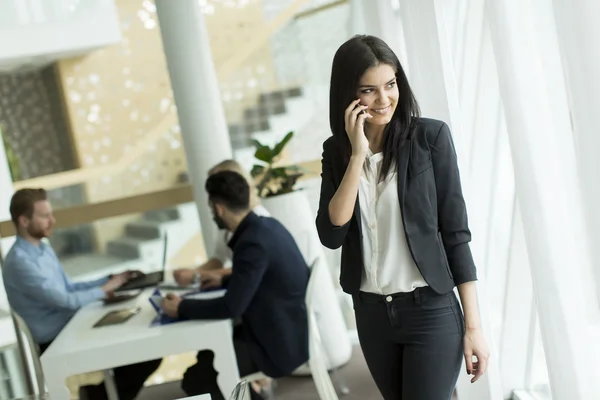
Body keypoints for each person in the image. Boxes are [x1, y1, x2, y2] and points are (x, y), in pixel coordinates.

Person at [316, 35, 490, 400]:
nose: (384, 100)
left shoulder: (431, 138)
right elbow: (332, 234)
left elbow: (455, 234)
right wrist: (356, 155)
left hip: (430, 312)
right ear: (349, 95)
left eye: (390, 84)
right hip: (372, 315)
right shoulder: (336, 151)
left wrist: (473, 327)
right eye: (369, 90)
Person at [161, 171, 309, 400]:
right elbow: (265, 278)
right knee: (206, 357)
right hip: (288, 330)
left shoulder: (251, 243)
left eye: (211, 207)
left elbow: (232, 307)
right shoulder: (266, 226)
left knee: (197, 379)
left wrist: (180, 307)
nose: (212, 213)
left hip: (275, 345)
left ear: (218, 208)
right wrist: (225, 279)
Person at [2, 188, 162, 400]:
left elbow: (70, 288)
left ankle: (97, 395)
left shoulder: (43, 249)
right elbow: (66, 301)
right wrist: (105, 289)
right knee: (145, 351)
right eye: (45, 216)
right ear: (23, 221)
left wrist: (111, 279)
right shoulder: (20, 262)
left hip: (74, 324)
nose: (53, 220)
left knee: (144, 342)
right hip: (58, 339)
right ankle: (98, 396)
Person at [172, 159, 270, 287]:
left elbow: (249, 268)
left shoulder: (259, 220)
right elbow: (218, 259)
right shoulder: (226, 219)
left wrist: (197, 276)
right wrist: (192, 272)